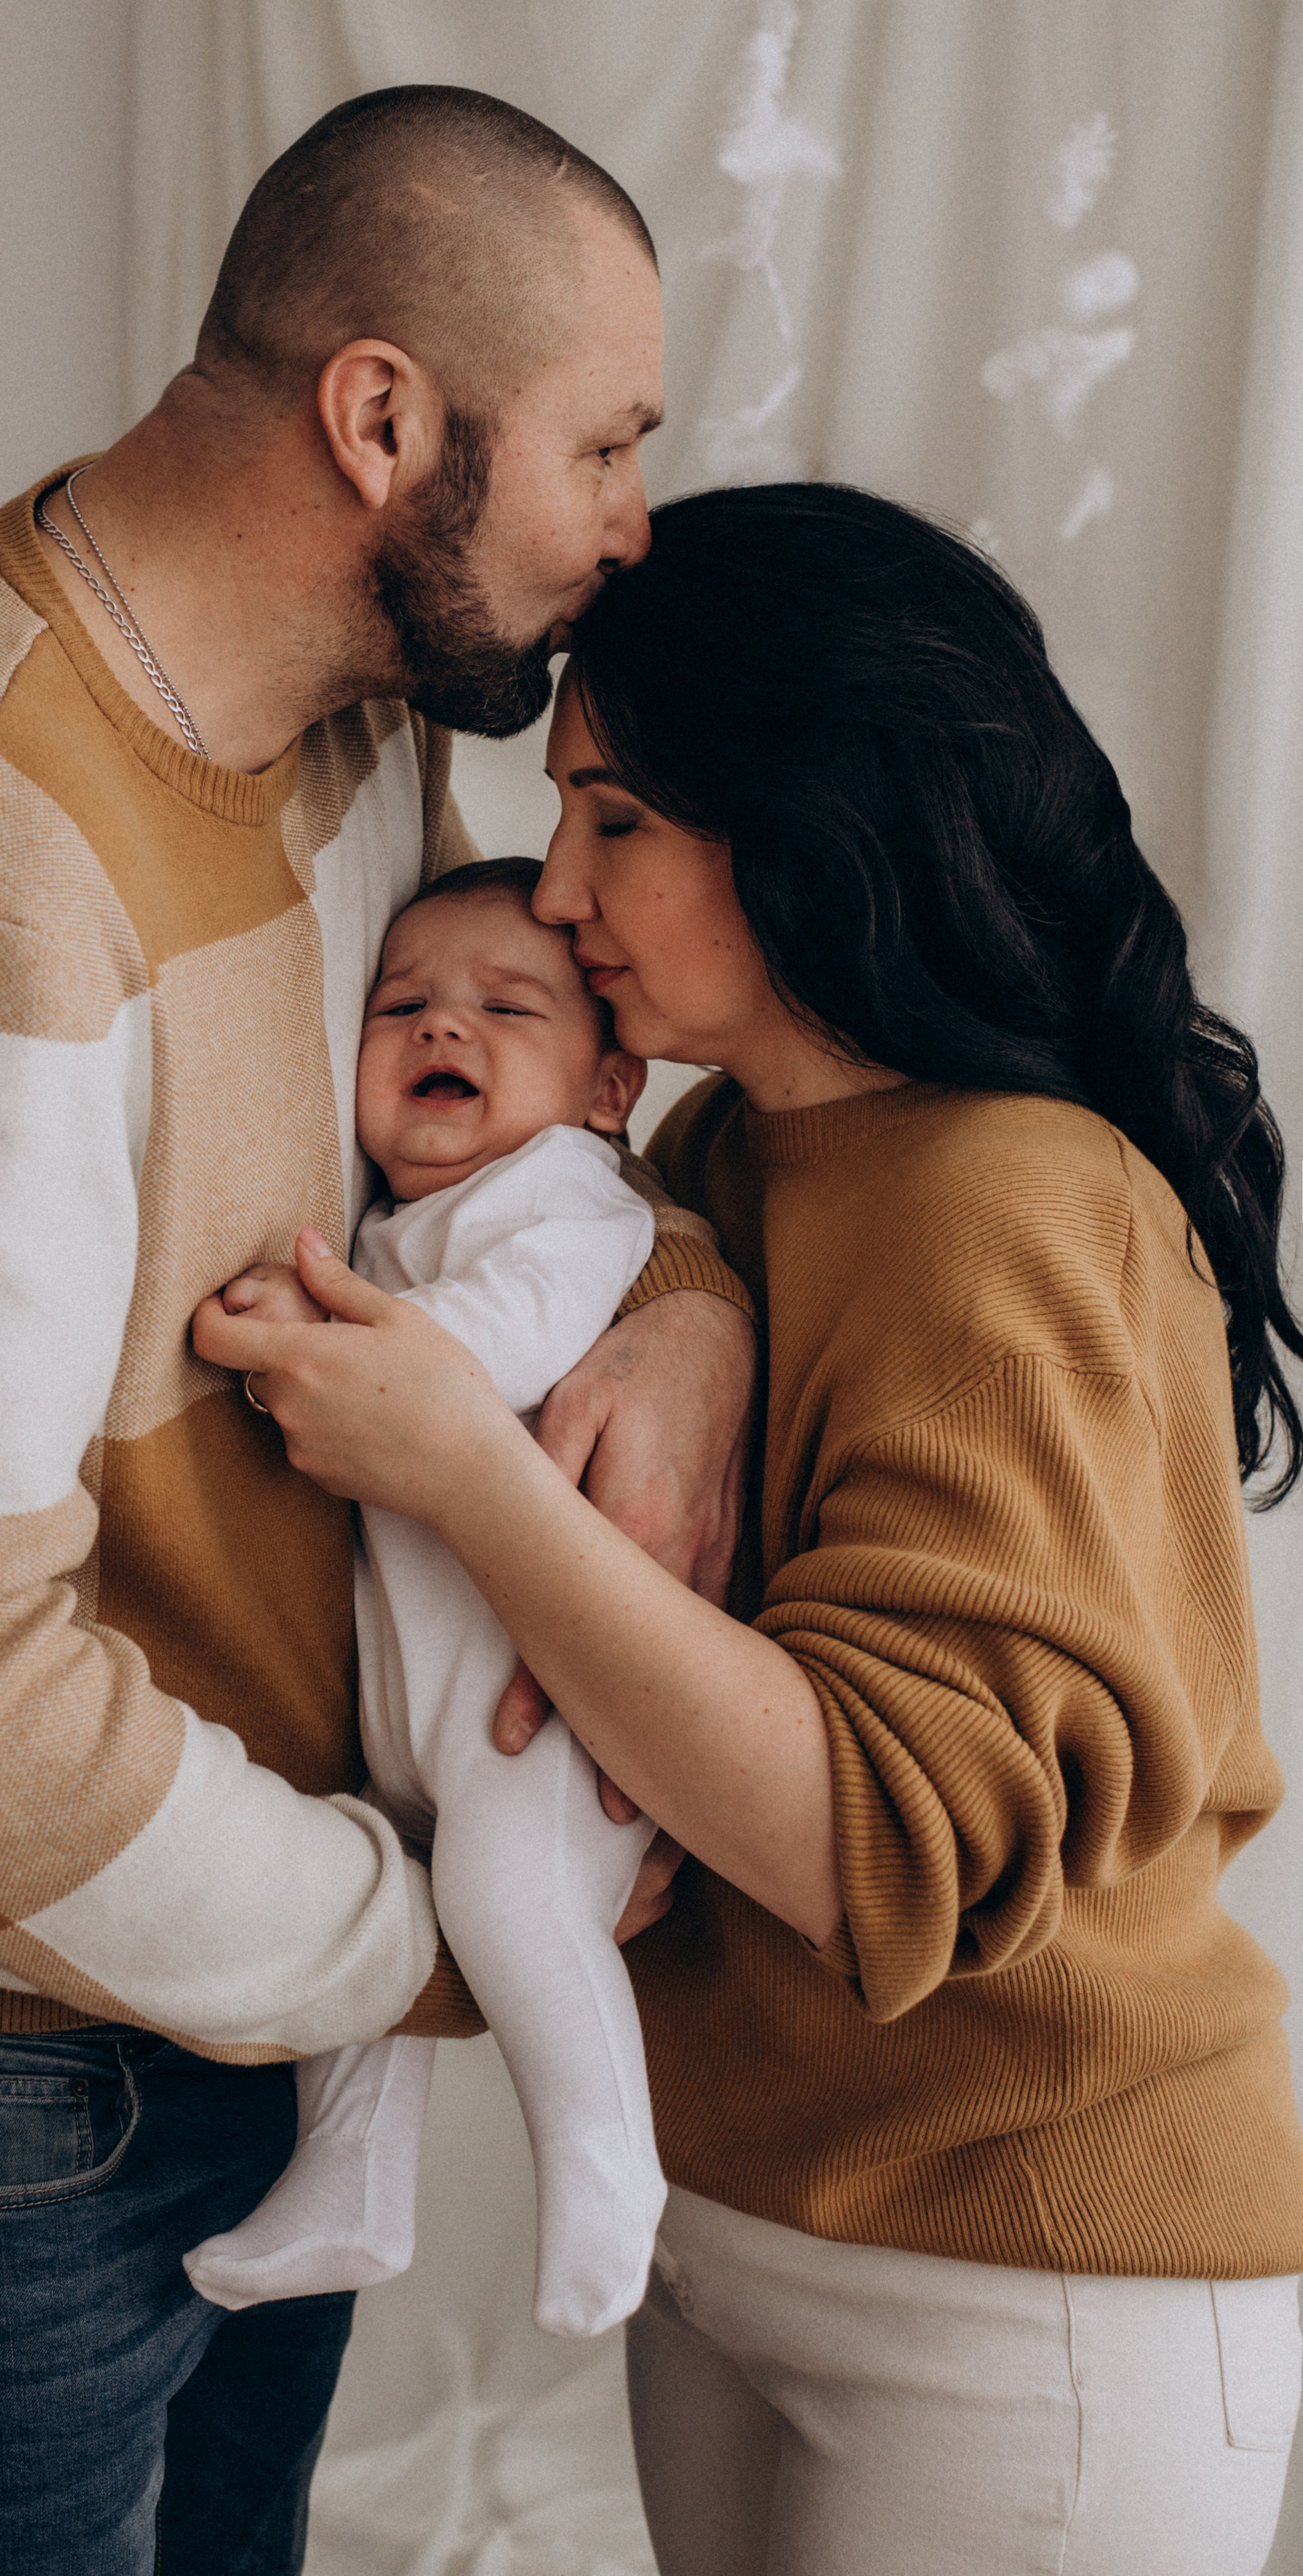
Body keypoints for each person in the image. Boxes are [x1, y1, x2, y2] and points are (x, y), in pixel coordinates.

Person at [0, 87, 757, 2576]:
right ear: (382, 419)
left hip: (233, 1991)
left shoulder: (345, 737)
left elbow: (503, 1123)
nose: (628, 526)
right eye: (603, 442)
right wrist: (435, 1931)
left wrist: (678, 1300)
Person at [201, 483, 1303, 2576]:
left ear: (810, 812)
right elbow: (671, 1250)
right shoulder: (733, 1146)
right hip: (742, 2235)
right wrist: (693, 1314)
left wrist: (462, 1468)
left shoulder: (1018, 1200)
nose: (560, 883)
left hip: (1029, 2275)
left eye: (616, 817)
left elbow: (862, 1841)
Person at [187, 858, 667, 2339]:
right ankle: (351, 2186)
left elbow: (499, 1348)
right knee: (368, 1897)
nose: (440, 1028)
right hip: (416, 1719)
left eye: (503, 1007)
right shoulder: (396, 1219)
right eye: (401, 1007)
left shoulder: (572, 1199)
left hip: (547, 1720)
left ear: (607, 1088)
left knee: (507, 1898)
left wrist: (307, 1340)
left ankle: (606, 2166)